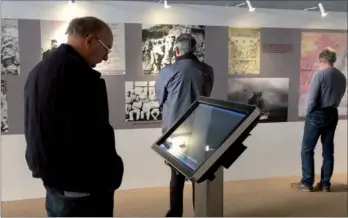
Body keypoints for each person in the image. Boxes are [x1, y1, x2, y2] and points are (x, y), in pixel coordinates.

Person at [24, 16, 124, 217]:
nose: (105, 57)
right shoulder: (80, 78)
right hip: (81, 187)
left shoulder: (39, 70)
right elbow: (95, 137)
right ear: (89, 40)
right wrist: (113, 172)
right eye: (107, 48)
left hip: (56, 182)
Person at [155, 33, 214, 217]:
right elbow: (208, 94)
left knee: (176, 175)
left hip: (174, 130)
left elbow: (160, 98)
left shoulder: (167, 71)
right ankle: (200, 211)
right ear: (195, 49)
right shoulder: (207, 70)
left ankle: (175, 212)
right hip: (200, 128)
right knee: (199, 173)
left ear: (177, 50)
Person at [291, 47, 346, 192]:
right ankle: (325, 184)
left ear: (321, 60)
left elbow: (312, 99)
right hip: (332, 113)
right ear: (333, 60)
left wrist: (309, 113)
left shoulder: (319, 75)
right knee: (328, 150)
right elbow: (340, 96)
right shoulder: (342, 76)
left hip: (317, 113)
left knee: (307, 150)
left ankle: (307, 183)